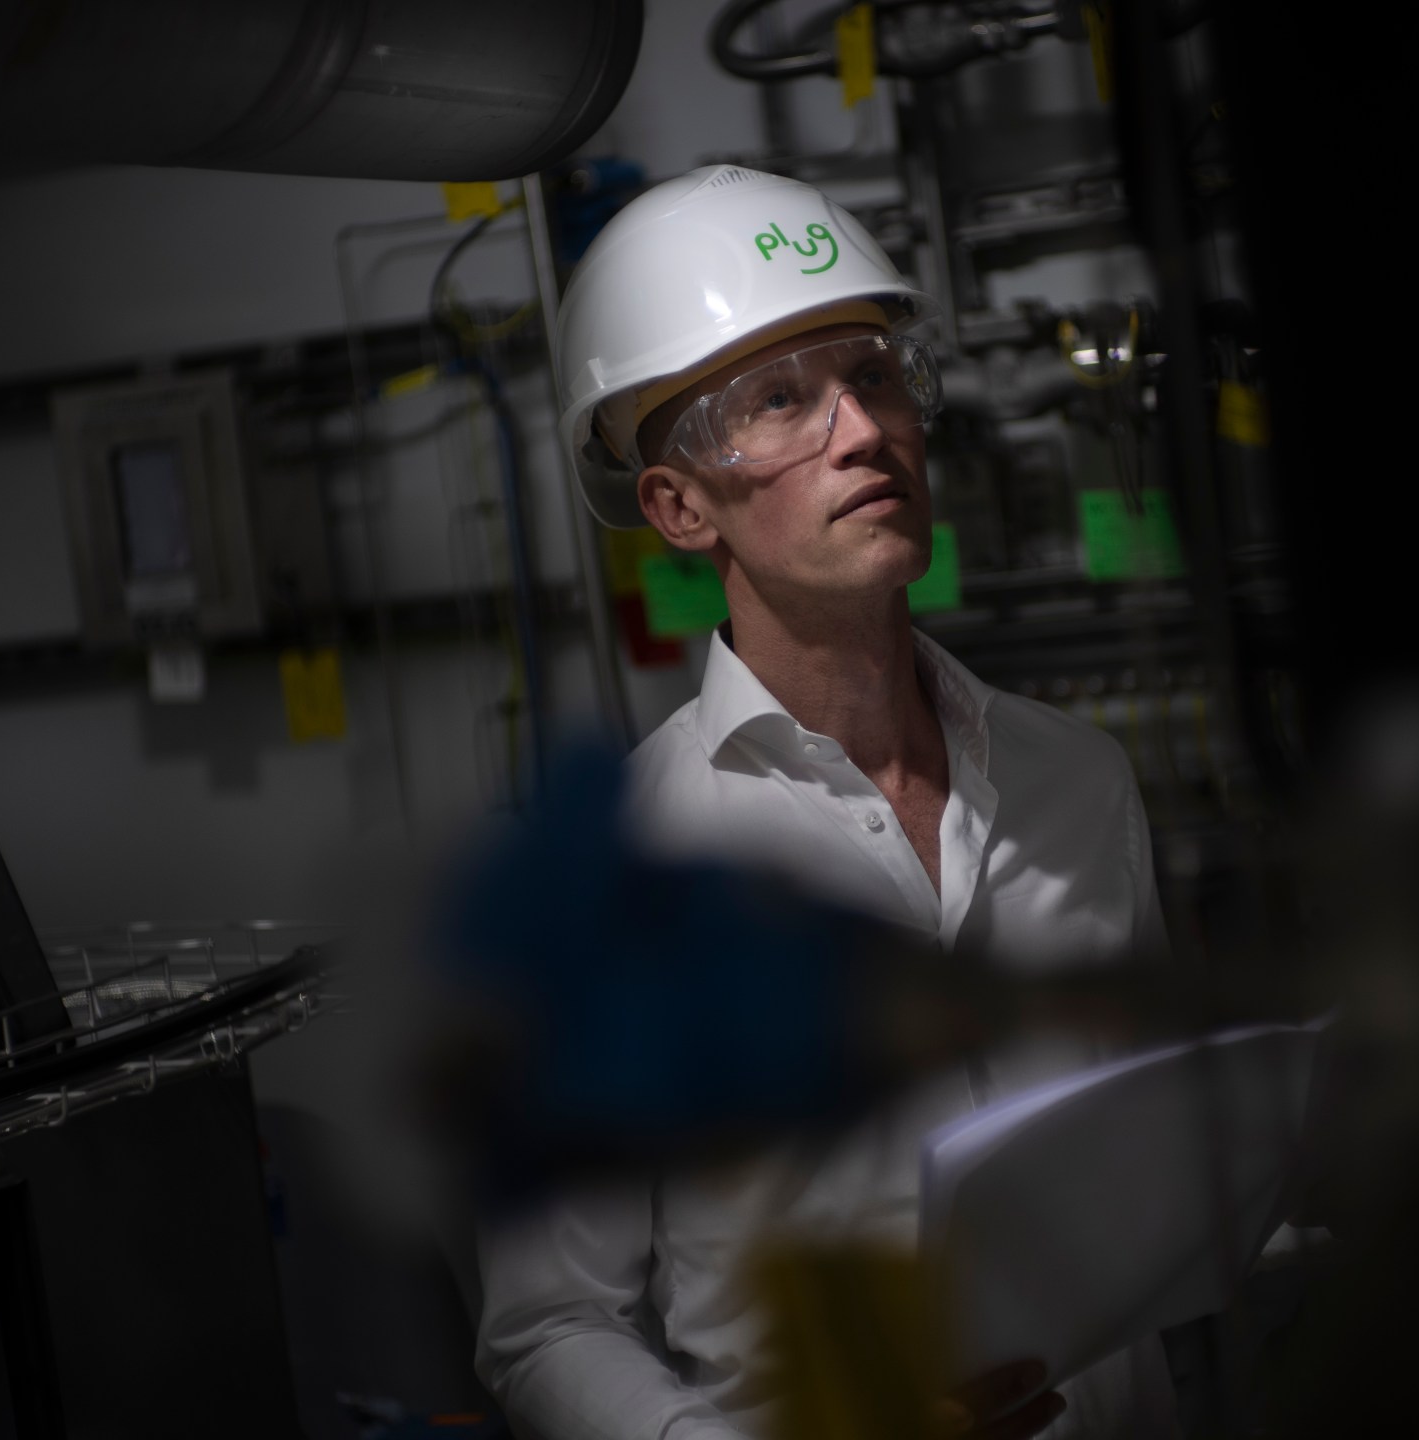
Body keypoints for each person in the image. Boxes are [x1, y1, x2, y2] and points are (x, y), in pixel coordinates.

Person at [475, 165, 1178, 1439]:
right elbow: (546, 1326)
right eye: (780, 403)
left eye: (874, 374)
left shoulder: (1080, 785)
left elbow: (1153, 1178)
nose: (862, 430)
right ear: (680, 506)